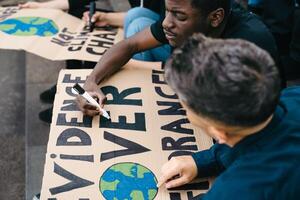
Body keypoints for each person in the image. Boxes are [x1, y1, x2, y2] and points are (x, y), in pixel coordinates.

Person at [77, 0, 280, 117]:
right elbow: (131, 44)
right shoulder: (187, 19)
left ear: (216, 18)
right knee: (138, 22)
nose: (166, 23)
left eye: (179, 16)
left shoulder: (250, 46)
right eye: (167, 11)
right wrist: (91, 81)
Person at [157, 33, 300, 199]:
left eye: (187, 108)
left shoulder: (240, 189)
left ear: (219, 134)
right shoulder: (292, 95)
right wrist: (200, 162)